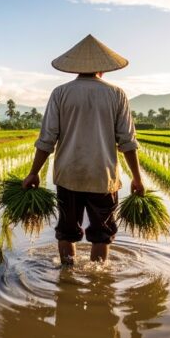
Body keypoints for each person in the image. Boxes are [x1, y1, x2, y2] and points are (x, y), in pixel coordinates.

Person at [22, 34, 144, 264]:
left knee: (66, 232)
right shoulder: (116, 94)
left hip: (69, 175)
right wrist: (137, 178)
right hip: (103, 177)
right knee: (102, 235)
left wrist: (33, 172)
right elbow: (128, 142)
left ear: (74, 68)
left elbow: (47, 139)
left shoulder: (60, 93)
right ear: (103, 69)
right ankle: (99, 281)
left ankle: (67, 278)